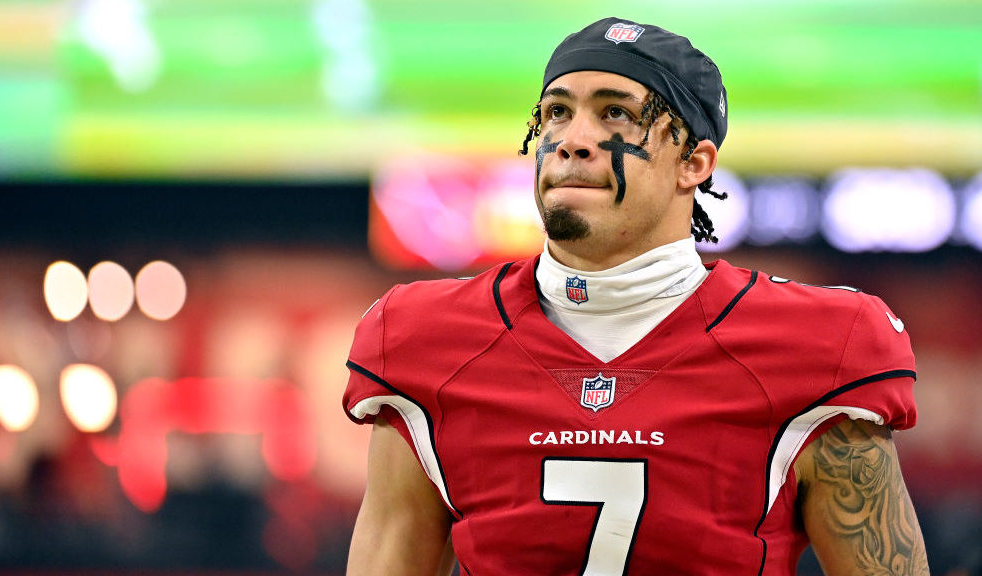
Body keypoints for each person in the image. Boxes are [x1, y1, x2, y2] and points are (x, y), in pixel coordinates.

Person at [342, 17, 929, 575]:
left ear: (692, 164)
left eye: (617, 114)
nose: (572, 139)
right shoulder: (427, 338)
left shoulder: (819, 346)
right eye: (555, 114)